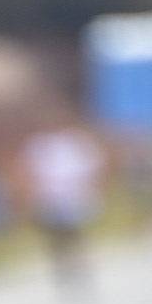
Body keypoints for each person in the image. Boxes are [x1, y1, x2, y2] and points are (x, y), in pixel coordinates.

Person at [19, 122, 105, 288]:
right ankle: (65, 266)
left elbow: (89, 164)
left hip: (70, 196)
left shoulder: (69, 140)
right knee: (57, 236)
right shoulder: (37, 146)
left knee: (72, 233)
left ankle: (76, 264)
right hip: (50, 199)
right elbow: (30, 175)